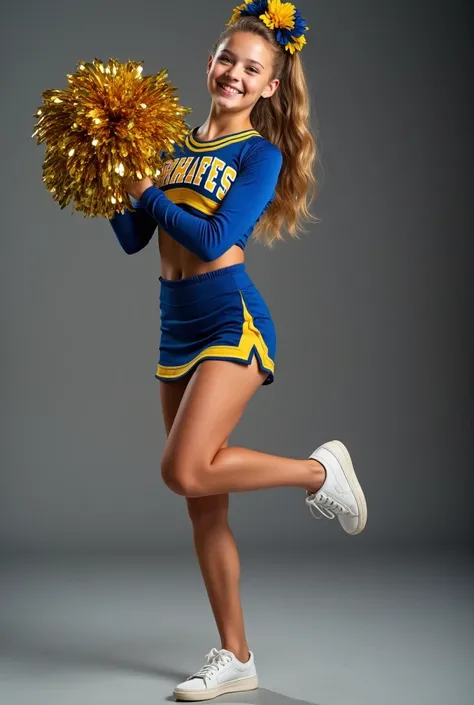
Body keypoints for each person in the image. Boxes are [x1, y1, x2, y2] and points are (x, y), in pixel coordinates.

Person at [109, 2, 367, 701]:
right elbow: (133, 239)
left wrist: (147, 190)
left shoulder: (260, 153)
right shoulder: (172, 141)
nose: (234, 73)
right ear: (211, 61)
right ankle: (237, 655)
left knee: (184, 469)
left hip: (232, 320)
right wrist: (116, 173)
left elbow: (217, 239)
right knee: (203, 501)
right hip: (175, 325)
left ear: (270, 87)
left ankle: (317, 472)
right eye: (228, 58)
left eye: (252, 68)